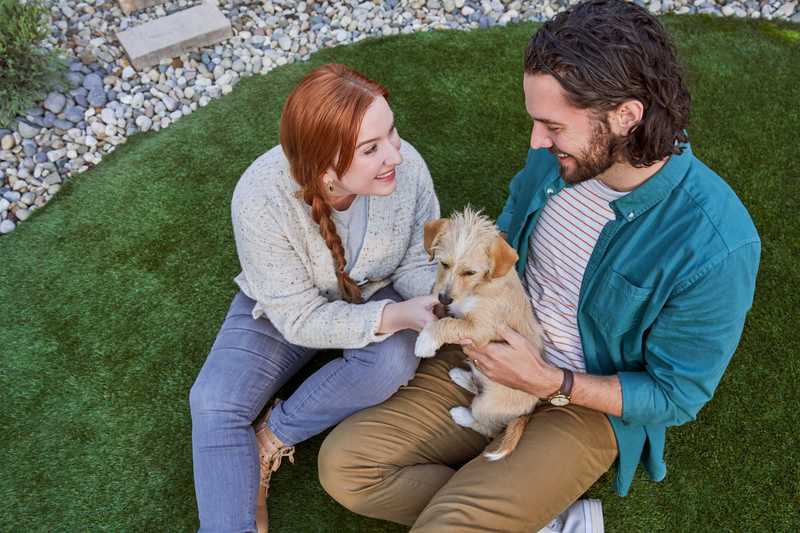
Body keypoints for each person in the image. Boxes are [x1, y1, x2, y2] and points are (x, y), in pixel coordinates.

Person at [317, 1, 761, 531]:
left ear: (626, 116)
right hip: (491, 346)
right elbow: (502, 243)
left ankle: (495, 505)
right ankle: (534, 515)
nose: (536, 142)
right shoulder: (560, 160)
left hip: (583, 403)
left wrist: (553, 380)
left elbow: (674, 395)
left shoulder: (716, 244)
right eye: (535, 121)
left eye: (552, 125)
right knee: (346, 467)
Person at [189, 63, 441, 533]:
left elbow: (413, 263)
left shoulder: (408, 173)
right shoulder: (260, 197)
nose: (397, 156)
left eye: (392, 133)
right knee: (214, 400)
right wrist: (390, 316)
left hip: (374, 285)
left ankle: (270, 439)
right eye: (372, 148)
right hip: (290, 303)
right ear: (325, 164)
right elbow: (298, 317)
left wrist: (437, 306)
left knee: (390, 363)